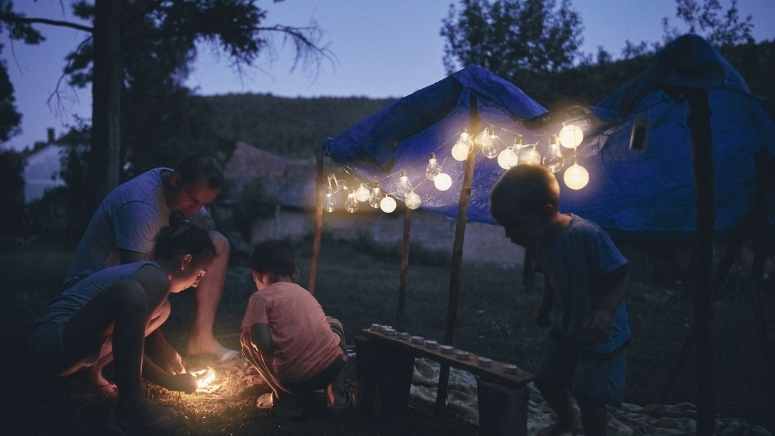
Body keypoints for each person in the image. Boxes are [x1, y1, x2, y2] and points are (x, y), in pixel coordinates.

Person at [29, 223, 216, 428]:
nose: (198, 283)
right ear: (185, 261)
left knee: (163, 310)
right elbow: (130, 346)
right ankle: (132, 404)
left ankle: (90, 377)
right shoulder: (155, 278)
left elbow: (124, 342)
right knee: (129, 294)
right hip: (52, 341)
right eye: (200, 274)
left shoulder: (156, 288)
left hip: (69, 347)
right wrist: (168, 381)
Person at [490, 165, 631, 436]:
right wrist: (546, 306)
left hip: (600, 331)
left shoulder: (585, 235)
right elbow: (554, 278)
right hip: (567, 325)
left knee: (590, 397)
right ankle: (568, 420)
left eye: (514, 225)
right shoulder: (540, 243)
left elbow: (620, 273)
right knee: (547, 381)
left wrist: (605, 311)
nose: (509, 235)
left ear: (545, 211)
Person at [65, 154, 237, 362]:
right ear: (175, 181)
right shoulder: (141, 207)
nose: (196, 210)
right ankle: (109, 360)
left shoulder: (180, 192)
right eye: (193, 200)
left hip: (132, 281)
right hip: (90, 297)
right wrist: (162, 351)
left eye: (203, 204)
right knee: (159, 305)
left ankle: (202, 338)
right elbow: (137, 286)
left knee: (218, 244)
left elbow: (207, 243)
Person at [240, 240, 349, 409]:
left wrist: (276, 349)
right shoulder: (303, 292)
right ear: (293, 272)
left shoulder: (260, 298)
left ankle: (281, 396)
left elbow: (262, 343)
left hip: (296, 380)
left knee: (247, 337)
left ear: (257, 275)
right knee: (333, 323)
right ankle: (336, 394)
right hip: (333, 367)